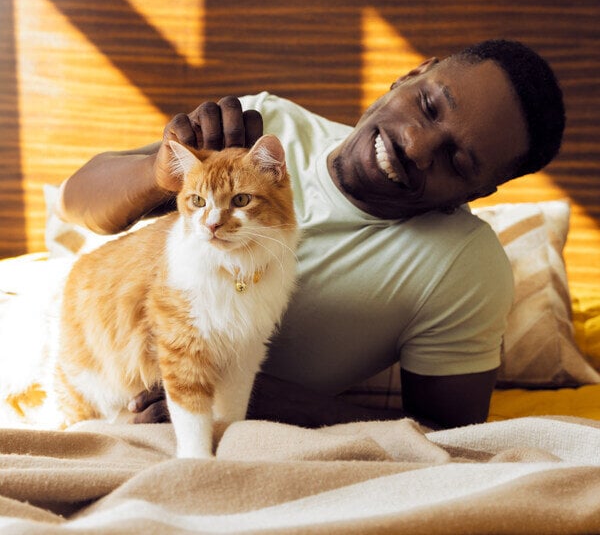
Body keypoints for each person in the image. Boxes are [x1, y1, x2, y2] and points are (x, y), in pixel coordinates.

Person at [58, 39, 565, 430]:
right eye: (430, 105)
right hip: (100, 377)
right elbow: (75, 199)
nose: (414, 143)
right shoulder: (265, 128)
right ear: (412, 74)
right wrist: (161, 174)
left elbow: (448, 439)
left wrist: (267, 402)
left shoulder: (465, 266)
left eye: (457, 160)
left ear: (478, 190)